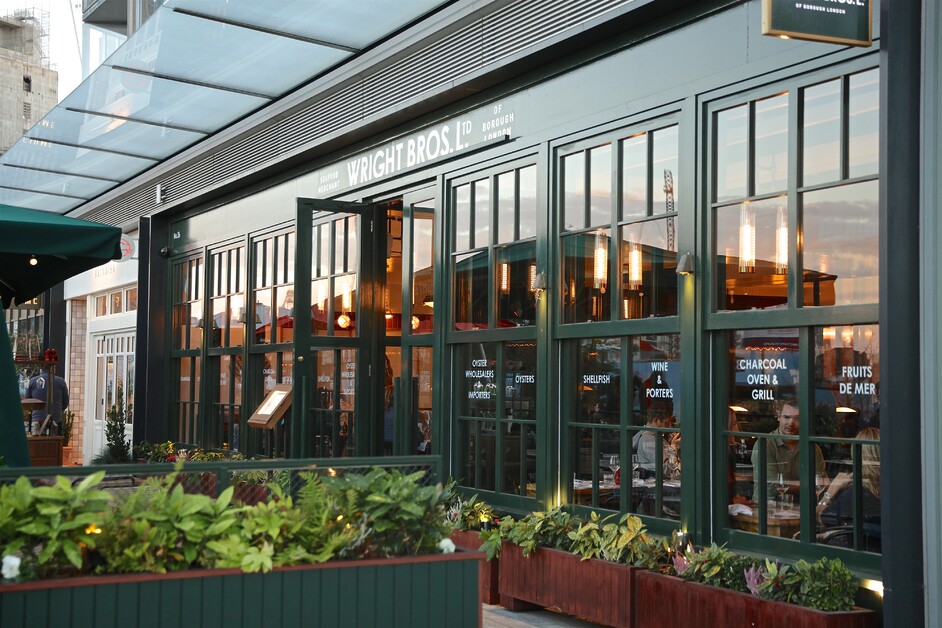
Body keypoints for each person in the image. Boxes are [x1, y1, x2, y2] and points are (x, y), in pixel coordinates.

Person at [817, 427, 881, 551]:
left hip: (853, 559)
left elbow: (818, 519)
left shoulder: (854, 494)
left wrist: (832, 490)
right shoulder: (895, 488)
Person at [750, 401, 825, 503]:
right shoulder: (765, 445)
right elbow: (771, 487)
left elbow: (821, 483)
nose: (791, 423)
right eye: (786, 417)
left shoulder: (812, 448)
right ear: (778, 417)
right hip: (768, 507)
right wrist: (808, 486)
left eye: (797, 418)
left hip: (802, 507)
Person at [25, 366, 69, 435]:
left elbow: (27, 401)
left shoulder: (32, 381)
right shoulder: (61, 382)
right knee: (55, 443)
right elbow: (65, 402)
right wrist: (58, 410)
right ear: (51, 368)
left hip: (36, 420)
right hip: (55, 419)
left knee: (37, 443)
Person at [632, 413, 678, 478]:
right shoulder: (649, 439)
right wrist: (673, 446)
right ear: (655, 420)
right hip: (655, 483)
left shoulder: (652, 436)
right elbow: (664, 469)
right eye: (666, 423)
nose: (669, 427)